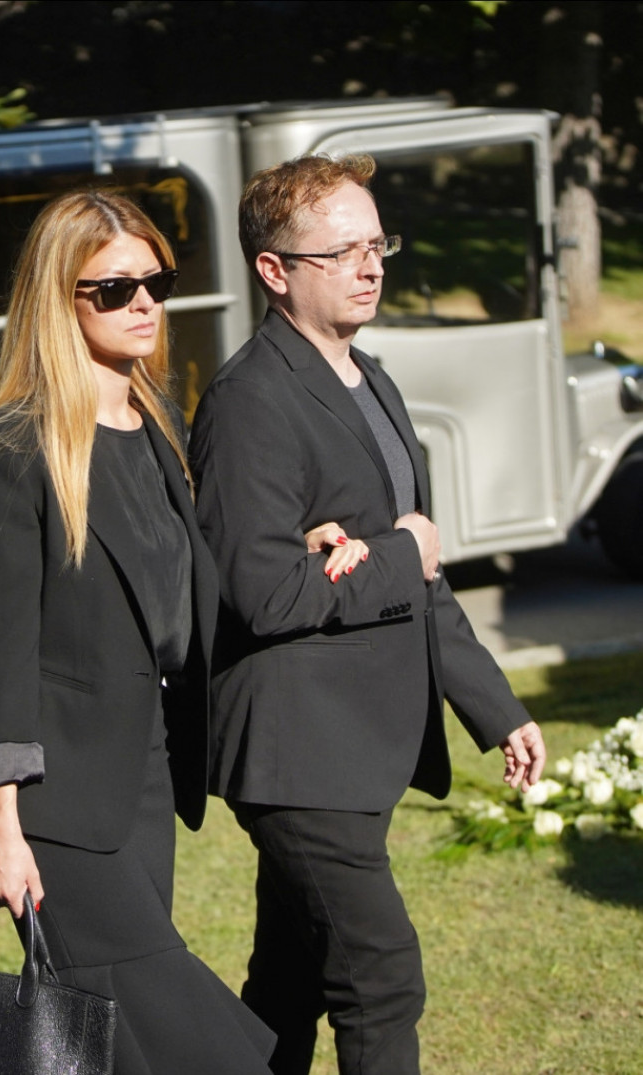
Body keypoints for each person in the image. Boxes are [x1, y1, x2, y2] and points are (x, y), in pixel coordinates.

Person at [188, 154, 547, 1075]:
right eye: (342, 251)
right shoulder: (248, 402)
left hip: (355, 746)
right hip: (299, 753)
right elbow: (262, 590)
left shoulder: (371, 377)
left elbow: (420, 575)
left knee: (290, 980)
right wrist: (396, 552)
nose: (371, 265)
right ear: (274, 270)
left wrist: (495, 706)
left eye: (378, 244)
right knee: (380, 978)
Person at [0, 190, 275, 1074]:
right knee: (193, 1038)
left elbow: (184, 588)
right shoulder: (14, 448)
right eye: (114, 289)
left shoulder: (157, 423)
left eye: (157, 282)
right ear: (59, 298)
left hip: (144, 780)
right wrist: (2, 824)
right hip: (52, 799)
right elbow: (0, 652)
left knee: (117, 1038)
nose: (144, 304)